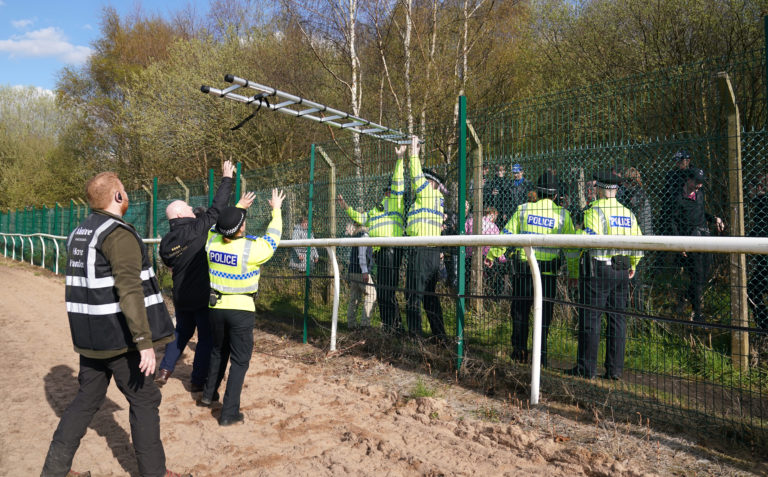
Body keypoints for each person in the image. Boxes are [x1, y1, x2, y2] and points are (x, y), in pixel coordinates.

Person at [41, 172, 190, 477]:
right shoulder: (117, 234)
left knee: (87, 399)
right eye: (124, 191)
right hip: (118, 338)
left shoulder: (80, 232)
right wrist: (144, 342)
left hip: (90, 338)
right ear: (118, 197)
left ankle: (54, 471)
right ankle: (155, 473)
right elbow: (129, 290)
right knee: (145, 398)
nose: (127, 196)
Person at [198, 189, 284, 426]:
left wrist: (238, 207)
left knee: (218, 350)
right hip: (241, 310)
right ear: (242, 228)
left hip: (215, 307)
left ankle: (208, 394)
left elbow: (219, 226)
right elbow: (273, 237)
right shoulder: (251, 249)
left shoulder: (212, 241)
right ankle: (229, 413)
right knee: (239, 361)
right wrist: (276, 210)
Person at [155, 160, 235, 391]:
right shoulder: (197, 229)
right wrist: (227, 178)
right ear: (180, 213)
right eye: (188, 208)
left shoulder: (166, 243)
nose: (193, 210)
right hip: (201, 296)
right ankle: (198, 380)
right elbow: (217, 208)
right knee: (206, 339)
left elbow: (170, 265)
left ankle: (165, 370)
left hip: (181, 296)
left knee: (181, 331)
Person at [485, 171, 579, 366]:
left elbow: (506, 235)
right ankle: (541, 356)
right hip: (548, 275)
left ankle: (518, 352)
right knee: (543, 316)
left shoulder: (523, 210)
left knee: (519, 313)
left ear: (536, 192)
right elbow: (571, 250)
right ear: (555, 195)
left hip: (523, 271)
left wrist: (492, 255)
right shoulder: (563, 215)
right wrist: (574, 273)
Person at [569, 171, 643, 380]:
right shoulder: (628, 213)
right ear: (616, 190)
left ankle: (586, 369)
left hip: (600, 268)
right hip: (623, 269)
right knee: (618, 320)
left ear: (600, 189)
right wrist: (634, 264)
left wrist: (576, 234)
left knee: (591, 318)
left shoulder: (595, 209)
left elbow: (590, 236)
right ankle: (614, 370)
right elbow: (639, 240)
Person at [337, 143, 406, 332]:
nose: (388, 192)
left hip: (392, 250)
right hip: (380, 254)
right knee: (383, 292)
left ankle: (396, 327)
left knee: (387, 291)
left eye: (390, 190)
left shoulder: (395, 203)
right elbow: (360, 218)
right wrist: (346, 207)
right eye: (387, 191)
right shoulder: (376, 210)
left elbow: (398, 181)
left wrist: (400, 160)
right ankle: (388, 326)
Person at [405, 135, 447, 341]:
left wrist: (414, 154)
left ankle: (415, 336)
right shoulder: (436, 200)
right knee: (429, 296)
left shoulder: (428, 195)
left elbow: (415, 175)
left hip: (421, 249)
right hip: (431, 251)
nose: (421, 181)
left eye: (425, 179)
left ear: (431, 183)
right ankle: (440, 336)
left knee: (413, 294)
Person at [669, 168, 725, 322]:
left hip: (705, 237)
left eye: (701, 183)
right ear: (688, 180)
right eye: (697, 182)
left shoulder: (700, 195)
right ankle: (697, 314)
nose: (699, 185)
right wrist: (679, 243)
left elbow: (701, 213)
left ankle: (685, 297)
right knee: (697, 275)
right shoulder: (677, 198)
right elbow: (672, 222)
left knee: (703, 276)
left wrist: (714, 219)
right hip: (689, 241)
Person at [345, 223, 376, 329]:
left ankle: (351, 323)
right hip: (360, 271)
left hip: (352, 270)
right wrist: (365, 271)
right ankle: (365, 323)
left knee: (354, 297)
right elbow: (362, 255)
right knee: (372, 294)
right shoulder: (364, 236)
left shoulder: (356, 235)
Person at [748, 173, 768, 329]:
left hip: (765, 263)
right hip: (763, 262)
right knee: (753, 290)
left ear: (759, 188)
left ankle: (764, 326)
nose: (749, 194)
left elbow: (760, 230)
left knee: (752, 290)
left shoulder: (763, 203)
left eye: (751, 189)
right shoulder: (761, 204)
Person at [661, 150, 693, 234]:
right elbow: (666, 194)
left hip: (689, 210)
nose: (677, 163)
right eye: (676, 161)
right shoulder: (671, 175)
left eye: (680, 161)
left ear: (687, 161)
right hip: (674, 210)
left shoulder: (694, 174)